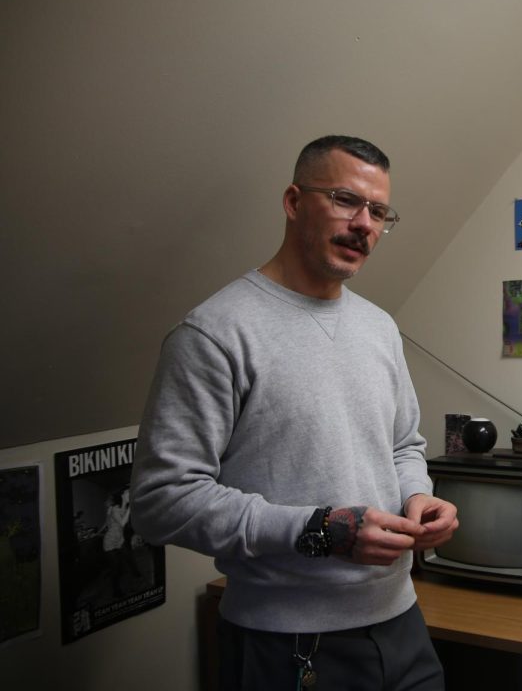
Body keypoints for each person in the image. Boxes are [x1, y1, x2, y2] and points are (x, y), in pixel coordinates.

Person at [131, 135, 458, 691]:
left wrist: (416, 497)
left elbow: (403, 445)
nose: (365, 224)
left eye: (379, 212)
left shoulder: (379, 327)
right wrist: (317, 530)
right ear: (292, 201)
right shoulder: (214, 333)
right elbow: (162, 501)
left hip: (401, 624)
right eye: (345, 200)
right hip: (284, 645)